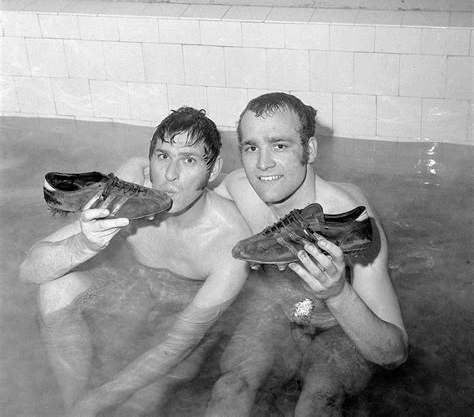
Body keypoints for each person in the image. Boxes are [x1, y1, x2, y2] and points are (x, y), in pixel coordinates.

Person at [119, 93, 408, 416]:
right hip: (274, 312)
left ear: (309, 150)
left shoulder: (351, 223)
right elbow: (180, 185)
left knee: (318, 400)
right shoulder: (240, 188)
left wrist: (338, 293)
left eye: (279, 146)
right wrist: (133, 168)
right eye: (251, 147)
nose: (263, 164)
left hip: (340, 327)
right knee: (232, 387)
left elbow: (394, 353)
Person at [20, 107, 251, 416]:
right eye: (163, 156)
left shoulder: (229, 241)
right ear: (149, 160)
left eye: (189, 160)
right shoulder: (130, 198)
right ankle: (72, 406)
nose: (170, 175)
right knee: (55, 290)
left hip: (187, 314)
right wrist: (84, 243)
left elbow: (181, 339)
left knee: (140, 403)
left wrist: (103, 396)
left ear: (214, 169)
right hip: (134, 287)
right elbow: (29, 272)